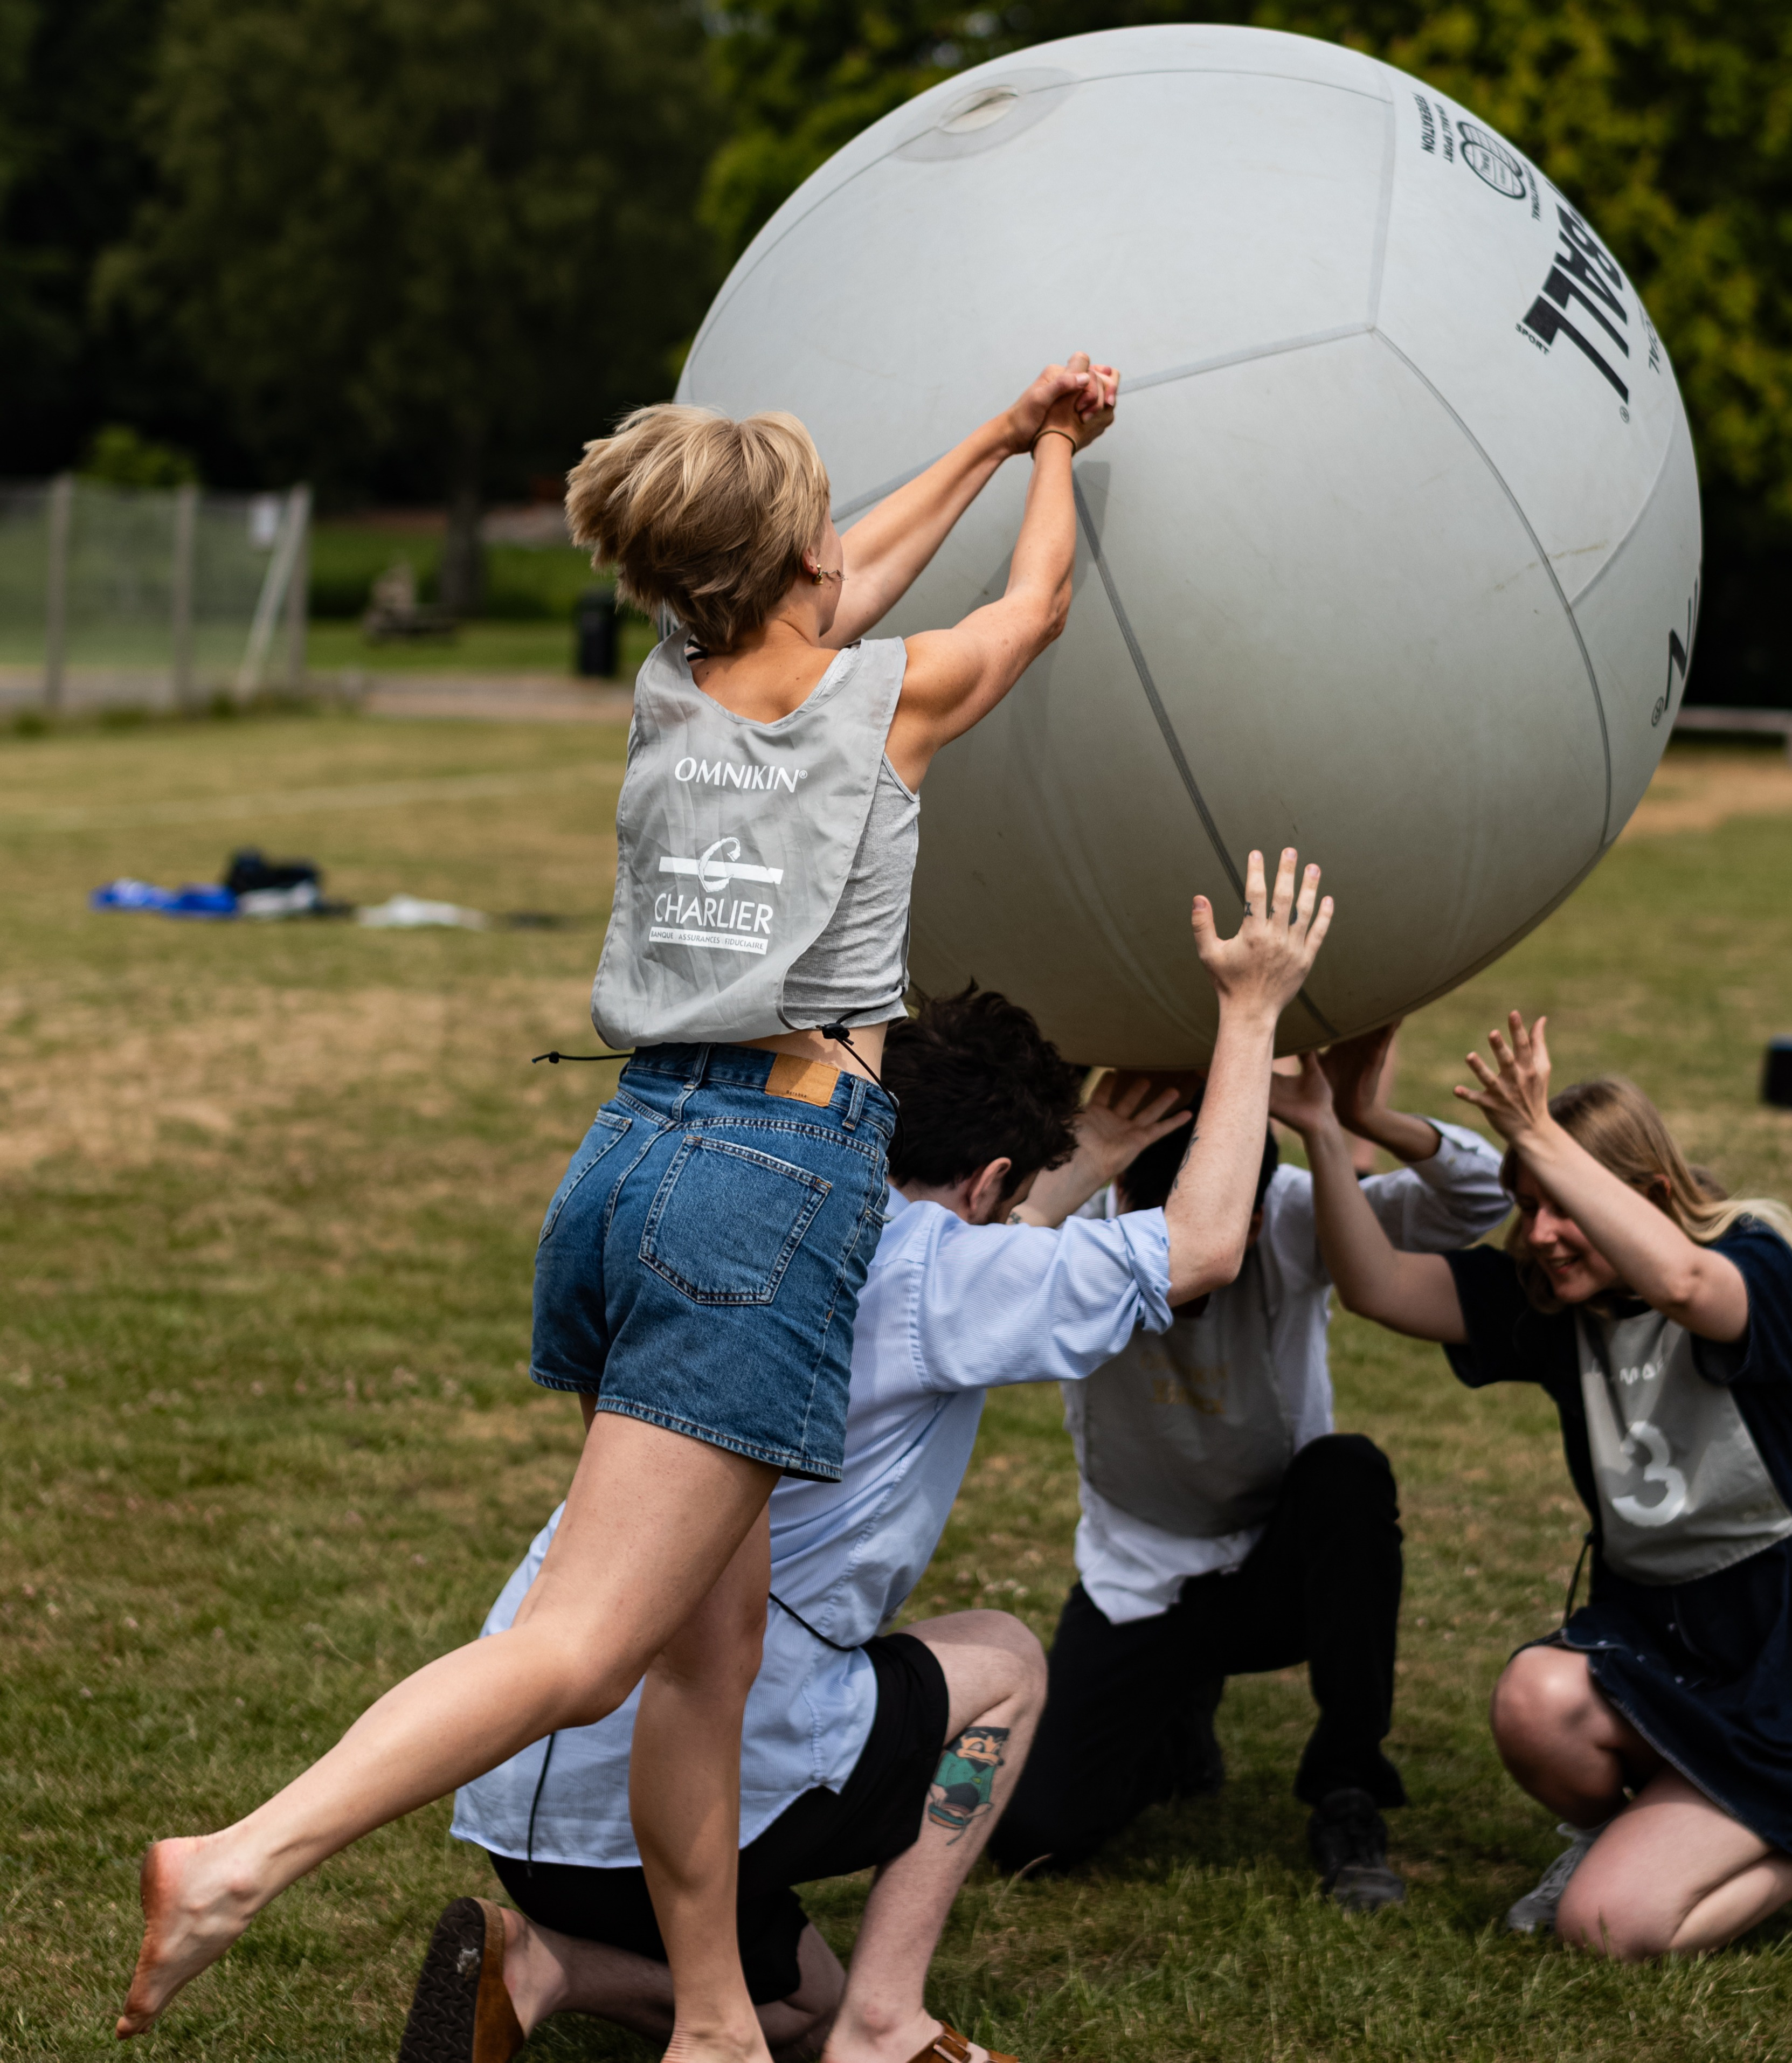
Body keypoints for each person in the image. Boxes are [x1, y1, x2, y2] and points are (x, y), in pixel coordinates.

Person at [119, 355, 1123, 2047]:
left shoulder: (675, 685)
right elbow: (1037, 606)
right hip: (768, 1192)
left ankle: (714, 2021)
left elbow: (842, 578)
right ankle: (234, 1860)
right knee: (590, 1645)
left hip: (631, 1161)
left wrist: (994, 430)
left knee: (702, 1653)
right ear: (799, 561)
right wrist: (1058, 458)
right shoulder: (880, 701)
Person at [394, 856, 1333, 2060]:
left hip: (528, 1782)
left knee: (793, 2006)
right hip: (685, 1790)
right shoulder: (950, 1277)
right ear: (991, 1182)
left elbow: (961, 1254)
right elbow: (1199, 1249)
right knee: (1004, 1663)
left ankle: (538, 1965)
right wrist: (1251, 1010)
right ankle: (889, 2022)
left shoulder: (765, 1215)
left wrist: (1084, 1152)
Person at [1268, 1010, 1792, 1957]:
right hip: (1664, 1650)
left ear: (1648, 1197)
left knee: (1606, 1927)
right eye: (1528, 1206)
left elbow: (1681, 1285)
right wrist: (1321, 1129)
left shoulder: (1755, 1267)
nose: (1543, 1235)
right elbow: (1376, 1286)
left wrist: (1536, 1129)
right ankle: (1645, 1836)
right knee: (1534, 1702)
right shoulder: (1559, 1304)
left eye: (1564, 1206)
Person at [990, 1026, 1510, 1907]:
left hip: (1281, 1567)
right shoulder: (1075, 1228)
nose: (1191, 1269)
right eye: (1165, 1242)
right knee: (1037, 1836)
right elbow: (974, 1248)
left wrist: (1350, 1120)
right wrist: (1082, 1148)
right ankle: (1174, 1723)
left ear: (1257, 1212)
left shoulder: (1300, 1210)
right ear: (1123, 1201)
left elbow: (1480, 1199)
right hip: (1142, 1579)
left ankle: (1348, 1789)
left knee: (1348, 1475)